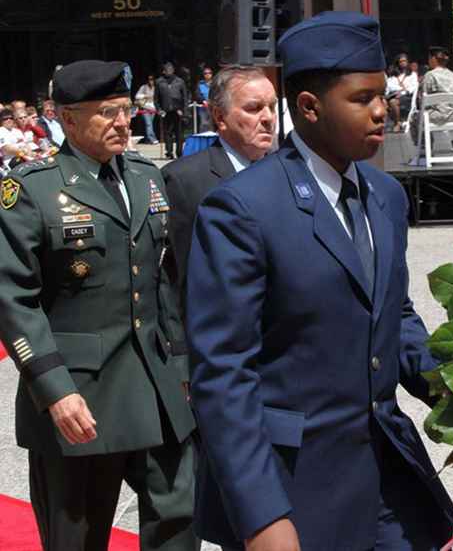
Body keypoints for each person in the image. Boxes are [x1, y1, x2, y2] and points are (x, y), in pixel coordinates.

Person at [186, 11, 453, 551]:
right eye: (361, 99)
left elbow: (394, 318)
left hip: (391, 485)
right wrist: (262, 516)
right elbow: (223, 375)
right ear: (309, 107)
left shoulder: (386, 197)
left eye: (383, 94)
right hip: (297, 491)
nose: (383, 110)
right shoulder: (243, 210)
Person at [0, 60, 197, 550]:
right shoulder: (33, 189)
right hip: (81, 396)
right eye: (107, 112)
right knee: (78, 536)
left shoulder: (147, 177)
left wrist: (182, 361)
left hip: (157, 388)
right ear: (67, 118)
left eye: (127, 110)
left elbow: (164, 282)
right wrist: (53, 389)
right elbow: (12, 298)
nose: (123, 122)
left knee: (181, 517)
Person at [162, 65, 277, 319]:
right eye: (254, 108)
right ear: (219, 116)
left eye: (272, 106)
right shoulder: (184, 180)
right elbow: (177, 281)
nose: (268, 118)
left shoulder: (290, 173)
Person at [410, 46, 453, 145]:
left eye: (429, 58)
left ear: (434, 59)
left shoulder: (430, 75)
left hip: (436, 116)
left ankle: (425, 149)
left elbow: (423, 99)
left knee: (415, 118)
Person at [155, 62, 188, 158]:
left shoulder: (180, 81)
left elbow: (185, 98)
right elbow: (156, 99)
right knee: (168, 133)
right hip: (166, 112)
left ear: (173, 70)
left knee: (179, 134)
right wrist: (159, 110)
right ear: (163, 71)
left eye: (170, 69)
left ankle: (179, 152)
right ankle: (169, 152)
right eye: (166, 70)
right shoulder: (159, 82)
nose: (168, 71)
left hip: (178, 111)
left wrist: (184, 111)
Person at [386, 53, 418, 132]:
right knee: (383, 101)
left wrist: (403, 92)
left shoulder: (412, 74)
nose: (403, 63)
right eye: (401, 61)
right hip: (394, 94)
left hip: (407, 96)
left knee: (393, 102)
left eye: (404, 61)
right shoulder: (393, 75)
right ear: (398, 63)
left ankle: (397, 123)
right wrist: (399, 90)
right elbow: (389, 86)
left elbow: (413, 87)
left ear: (407, 62)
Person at [135, 74, 159, 144]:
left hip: (153, 108)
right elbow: (137, 96)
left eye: (152, 79)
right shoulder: (144, 87)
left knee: (150, 124)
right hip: (145, 108)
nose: (151, 81)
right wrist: (146, 95)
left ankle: (147, 140)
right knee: (148, 124)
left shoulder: (156, 88)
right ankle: (153, 139)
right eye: (149, 79)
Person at [195, 66, 214, 132]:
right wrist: (203, 101)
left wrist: (211, 102)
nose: (207, 74)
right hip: (203, 107)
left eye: (209, 73)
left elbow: (217, 93)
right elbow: (197, 94)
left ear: (211, 74)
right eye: (205, 73)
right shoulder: (200, 84)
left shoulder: (215, 84)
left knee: (212, 123)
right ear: (203, 75)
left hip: (212, 107)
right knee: (203, 124)